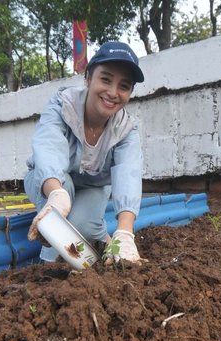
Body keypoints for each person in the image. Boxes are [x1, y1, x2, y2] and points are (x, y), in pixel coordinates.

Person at [24, 41, 146, 265]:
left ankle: (106, 242)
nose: (112, 92)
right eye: (105, 79)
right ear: (88, 78)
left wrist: (126, 232)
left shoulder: (126, 128)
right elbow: (48, 147)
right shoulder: (62, 105)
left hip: (93, 186)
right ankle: (48, 268)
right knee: (62, 209)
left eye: (123, 86)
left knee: (83, 225)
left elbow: (129, 173)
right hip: (49, 181)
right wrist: (56, 194)